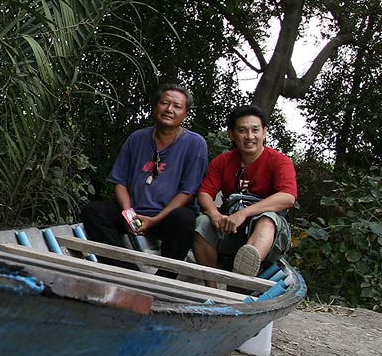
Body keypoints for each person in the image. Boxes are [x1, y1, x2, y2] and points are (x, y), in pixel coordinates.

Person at [81, 84, 209, 278]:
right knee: (94, 211)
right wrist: (129, 214)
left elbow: (188, 192)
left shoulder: (195, 144)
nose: (169, 109)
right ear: (155, 107)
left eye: (176, 106)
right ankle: (126, 273)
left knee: (185, 219)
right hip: (134, 215)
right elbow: (120, 182)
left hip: (167, 218)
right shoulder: (137, 138)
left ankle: (164, 278)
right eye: (164, 103)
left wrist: (156, 220)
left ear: (185, 114)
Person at [192, 105, 297, 283]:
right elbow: (204, 193)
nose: (249, 137)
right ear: (232, 134)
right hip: (230, 228)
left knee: (267, 220)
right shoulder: (223, 161)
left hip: (269, 236)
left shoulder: (279, 161)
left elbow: (287, 197)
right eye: (242, 131)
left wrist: (244, 213)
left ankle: (242, 278)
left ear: (264, 132)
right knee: (201, 222)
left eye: (255, 130)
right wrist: (215, 214)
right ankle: (211, 287)